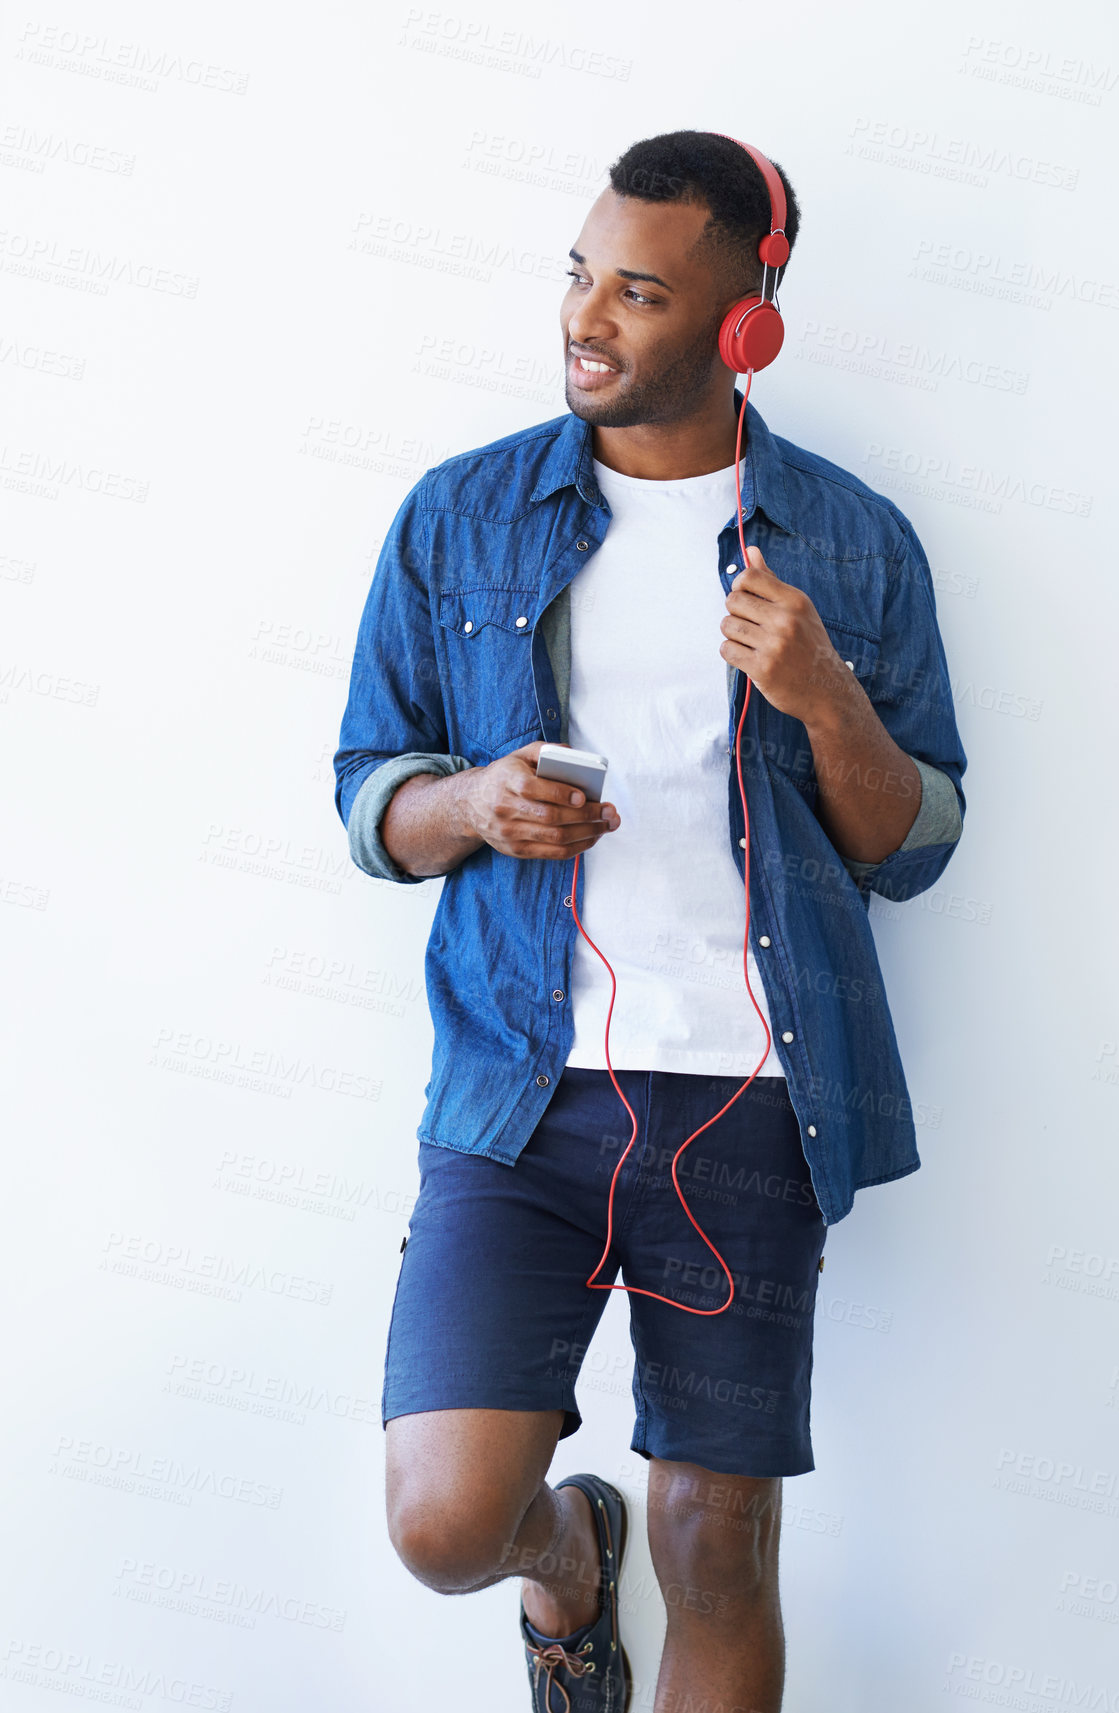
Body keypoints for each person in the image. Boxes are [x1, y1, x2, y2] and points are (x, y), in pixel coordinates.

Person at [333, 129, 967, 1713]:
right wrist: (471, 804)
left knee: (719, 1551)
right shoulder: (458, 516)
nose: (584, 319)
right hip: (515, 1098)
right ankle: (564, 1559)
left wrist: (823, 696)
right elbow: (366, 796)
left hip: (751, 1104)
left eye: (637, 291)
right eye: (577, 273)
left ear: (743, 322)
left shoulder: (850, 543)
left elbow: (915, 843)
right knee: (443, 1520)